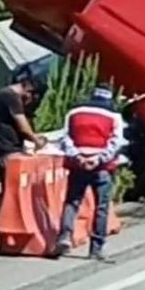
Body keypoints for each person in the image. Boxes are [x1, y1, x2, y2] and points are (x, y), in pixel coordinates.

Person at [54, 84, 124, 262]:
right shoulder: (114, 115)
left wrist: (78, 156)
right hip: (101, 168)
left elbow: (64, 137)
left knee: (72, 202)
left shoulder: (74, 112)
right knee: (101, 207)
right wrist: (98, 159)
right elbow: (116, 142)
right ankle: (96, 249)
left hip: (77, 165)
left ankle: (64, 236)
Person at [0, 71, 47, 182]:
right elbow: (22, 125)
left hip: (6, 148)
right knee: (12, 184)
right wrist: (36, 141)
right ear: (29, 90)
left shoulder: (5, 95)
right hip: (6, 148)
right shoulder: (10, 97)